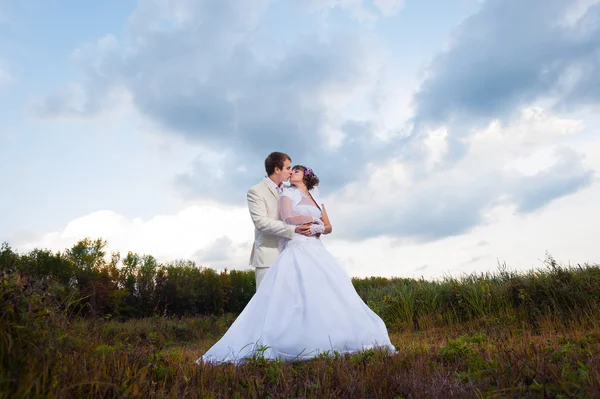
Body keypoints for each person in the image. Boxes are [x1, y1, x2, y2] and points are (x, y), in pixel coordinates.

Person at [196, 165, 396, 364]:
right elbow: (288, 217)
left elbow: (329, 226)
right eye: (289, 171)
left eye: (296, 171)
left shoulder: (316, 197)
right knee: (297, 294)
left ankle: (332, 337)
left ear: (305, 176)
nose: (291, 173)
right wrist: (313, 220)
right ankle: (294, 340)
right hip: (297, 246)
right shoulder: (286, 193)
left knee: (327, 292)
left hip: (317, 248)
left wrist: (319, 227)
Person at [246, 152, 312, 289]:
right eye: (288, 168)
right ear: (277, 169)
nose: (291, 172)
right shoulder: (256, 191)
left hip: (292, 255)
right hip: (268, 258)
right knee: (267, 303)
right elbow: (261, 222)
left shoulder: (291, 190)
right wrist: (293, 229)